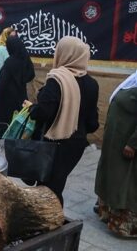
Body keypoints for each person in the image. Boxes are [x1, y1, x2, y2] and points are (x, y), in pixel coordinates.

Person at [27, 36, 99, 205]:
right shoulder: (92, 84)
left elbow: (44, 112)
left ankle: (51, 223)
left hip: (54, 145)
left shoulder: (56, 79)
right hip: (76, 144)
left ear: (62, 54)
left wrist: (32, 108)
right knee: (55, 185)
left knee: (48, 190)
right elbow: (93, 123)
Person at [94, 71, 137, 237]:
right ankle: (108, 212)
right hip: (117, 140)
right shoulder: (133, 79)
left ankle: (127, 225)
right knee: (113, 177)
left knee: (125, 183)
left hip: (127, 144)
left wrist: (133, 144)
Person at [0, 37, 35, 143]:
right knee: (16, 123)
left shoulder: (10, 61)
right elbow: (31, 75)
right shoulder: (26, 60)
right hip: (21, 97)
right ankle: (14, 144)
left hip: (6, 99)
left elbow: (2, 81)